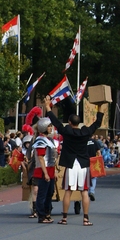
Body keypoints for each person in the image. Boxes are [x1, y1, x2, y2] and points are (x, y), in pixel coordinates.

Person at [45, 95, 106, 226]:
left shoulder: (67, 131)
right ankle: (86, 219)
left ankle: (65, 218)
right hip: (83, 164)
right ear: (79, 123)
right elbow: (97, 123)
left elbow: (56, 122)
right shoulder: (86, 132)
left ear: (70, 122)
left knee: (68, 191)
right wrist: (100, 107)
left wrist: (47, 107)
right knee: (84, 191)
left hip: (71, 163)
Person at [31, 118, 57, 223]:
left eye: (51, 126)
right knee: (42, 194)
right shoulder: (40, 140)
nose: (51, 128)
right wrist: (45, 173)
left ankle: (47, 213)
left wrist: (53, 173)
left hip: (50, 170)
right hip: (43, 171)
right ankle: (41, 215)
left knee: (49, 193)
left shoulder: (49, 140)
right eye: (49, 126)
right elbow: (41, 158)